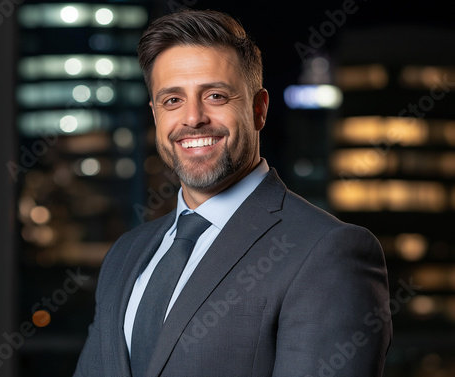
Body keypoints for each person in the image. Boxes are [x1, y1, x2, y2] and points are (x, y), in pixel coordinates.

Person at [74, 9, 392, 377]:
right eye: (172, 100)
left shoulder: (327, 251)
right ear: (155, 114)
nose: (192, 118)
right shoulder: (125, 254)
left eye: (215, 95)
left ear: (259, 109)